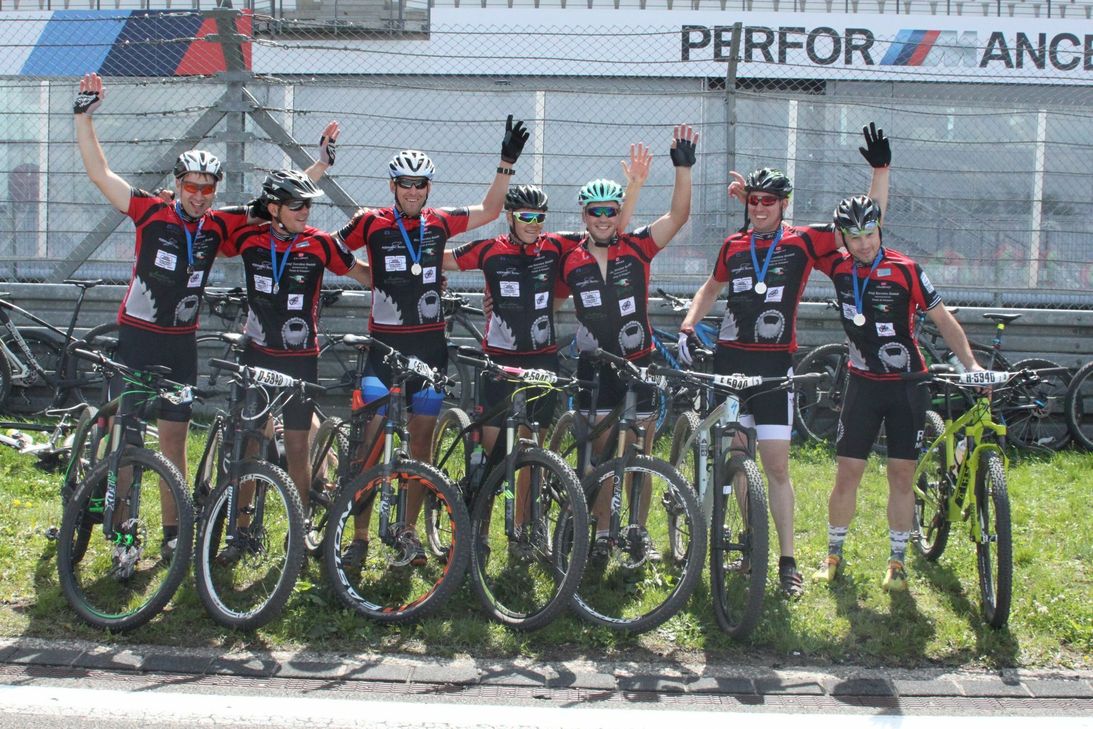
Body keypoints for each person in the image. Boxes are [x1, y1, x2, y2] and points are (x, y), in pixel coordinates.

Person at [675, 123, 891, 598]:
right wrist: (690, 324)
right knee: (733, 456)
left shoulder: (802, 242)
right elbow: (711, 288)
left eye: (768, 201)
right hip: (729, 365)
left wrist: (880, 171)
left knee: (775, 468)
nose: (759, 208)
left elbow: (865, 224)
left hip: (776, 368)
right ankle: (729, 545)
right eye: (753, 201)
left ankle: (786, 559)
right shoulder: (733, 245)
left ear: (784, 204)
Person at [331, 116, 530, 568]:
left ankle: (407, 532)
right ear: (393, 185)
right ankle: (359, 536)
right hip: (383, 348)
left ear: (428, 188)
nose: (413, 192)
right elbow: (332, 249)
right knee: (370, 445)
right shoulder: (371, 222)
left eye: (420, 185)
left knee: (420, 447)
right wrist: (364, 275)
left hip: (429, 349)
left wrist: (506, 163)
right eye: (405, 184)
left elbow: (489, 212)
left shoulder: (438, 222)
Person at [74, 72, 250, 561]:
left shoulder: (216, 225)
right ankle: (122, 533)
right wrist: (83, 116)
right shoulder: (151, 210)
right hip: (137, 338)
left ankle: (173, 535)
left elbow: (281, 204)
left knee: (174, 442)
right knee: (127, 438)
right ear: (177, 184)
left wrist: (319, 164)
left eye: (208, 188)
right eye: (192, 186)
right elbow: (99, 175)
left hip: (181, 346)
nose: (199, 195)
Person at [812, 194, 982, 592]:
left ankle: (897, 561)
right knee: (847, 473)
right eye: (853, 237)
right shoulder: (835, 266)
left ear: (880, 229)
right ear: (843, 238)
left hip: (907, 386)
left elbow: (943, 319)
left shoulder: (906, 269)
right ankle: (833, 553)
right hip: (862, 384)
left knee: (901, 475)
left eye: (869, 233)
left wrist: (971, 364)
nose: (863, 244)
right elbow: (797, 242)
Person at [552, 124, 698, 561]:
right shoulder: (569, 257)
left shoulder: (637, 248)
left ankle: (636, 531)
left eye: (610, 211)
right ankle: (599, 535)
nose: (602, 218)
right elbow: (547, 297)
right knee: (600, 458)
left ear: (619, 215)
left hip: (641, 362)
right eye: (594, 211)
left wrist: (683, 169)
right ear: (583, 215)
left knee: (641, 453)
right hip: (594, 368)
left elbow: (678, 217)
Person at [215, 170, 371, 560]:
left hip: (301, 359)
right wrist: (251, 211)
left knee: (299, 447)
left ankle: (298, 531)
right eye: (297, 205)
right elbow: (212, 234)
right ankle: (241, 531)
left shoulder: (319, 243)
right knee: (252, 442)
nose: (306, 211)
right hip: (258, 355)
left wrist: (420, 280)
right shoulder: (249, 239)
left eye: (308, 204)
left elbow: (364, 273)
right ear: (274, 208)